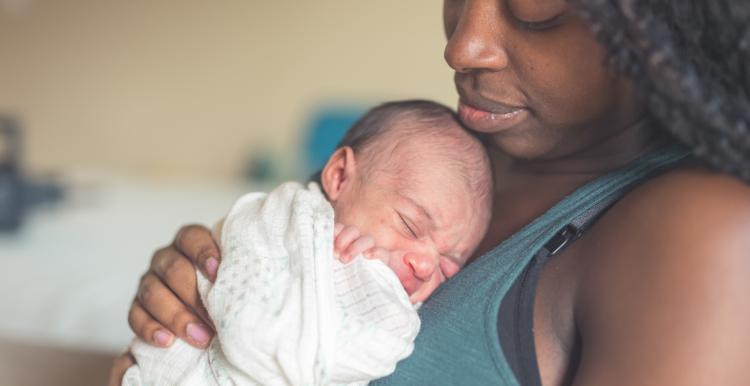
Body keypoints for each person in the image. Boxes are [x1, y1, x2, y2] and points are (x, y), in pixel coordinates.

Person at [111, 1, 750, 385]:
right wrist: (194, 295)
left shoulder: (704, 236)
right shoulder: (447, 162)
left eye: (535, 12)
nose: (461, 47)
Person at [121, 100, 493, 385]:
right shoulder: (293, 219)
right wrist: (317, 249)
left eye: (449, 265)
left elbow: (375, 351)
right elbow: (252, 328)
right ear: (340, 176)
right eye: (410, 226)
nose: (426, 265)